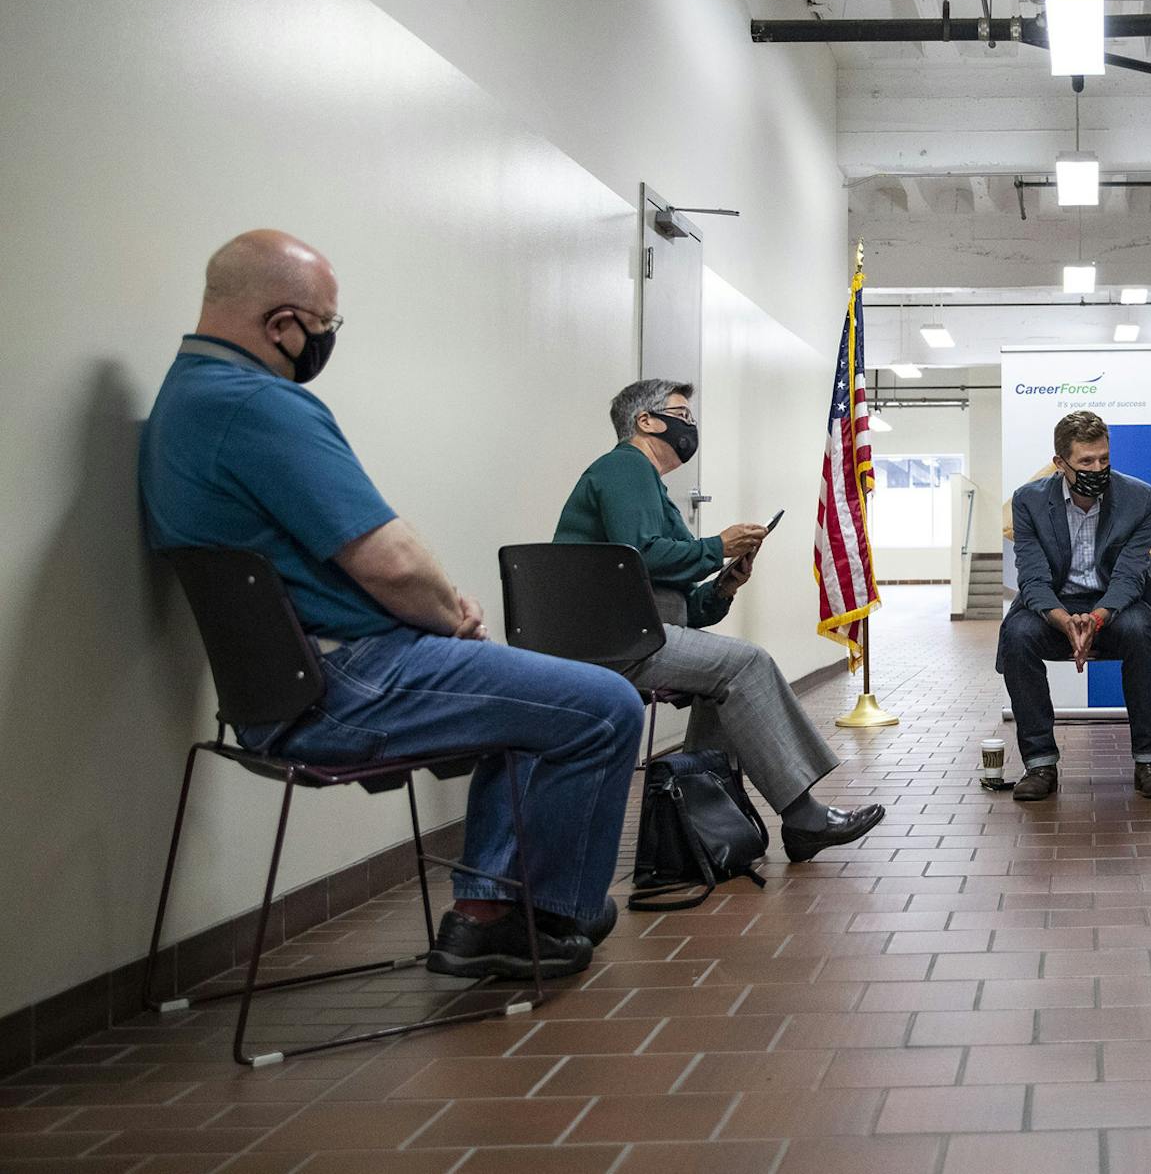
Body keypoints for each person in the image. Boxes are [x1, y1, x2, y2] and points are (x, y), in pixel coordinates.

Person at [139, 230, 645, 980]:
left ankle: (486, 914)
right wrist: (452, 616)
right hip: (343, 683)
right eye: (326, 325)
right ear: (283, 324)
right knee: (606, 704)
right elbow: (391, 559)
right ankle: (546, 914)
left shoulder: (183, 400)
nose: (326, 341)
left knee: (536, 698)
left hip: (283, 686)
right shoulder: (259, 405)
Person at [554, 380, 886, 861]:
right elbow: (642, 556)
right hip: (613, 639)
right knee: (747, 664)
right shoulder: (625, 466)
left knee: (721, 684)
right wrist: (717, 547)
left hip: (640, 632)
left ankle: (707, 828)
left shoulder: (648, 484)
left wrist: (724, 583)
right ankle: (803, 816)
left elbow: (679, 603)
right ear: (645, 421)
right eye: (680, 414)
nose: (690, 425)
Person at [998, 410, 1151, 801]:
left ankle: (1150, 760)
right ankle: (1040, 764)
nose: (1097, 468)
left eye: (1103, 459)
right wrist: (1065, 621)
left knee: (1141, 628)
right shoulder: (1028, 502)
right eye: (1085, 462)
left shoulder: (1139, 497)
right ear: (1060, 463)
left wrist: (1097, 618)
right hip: (1053, 606)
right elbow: (1031, 576)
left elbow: (1130, 575)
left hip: (1114, 605)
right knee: (1017, 634)